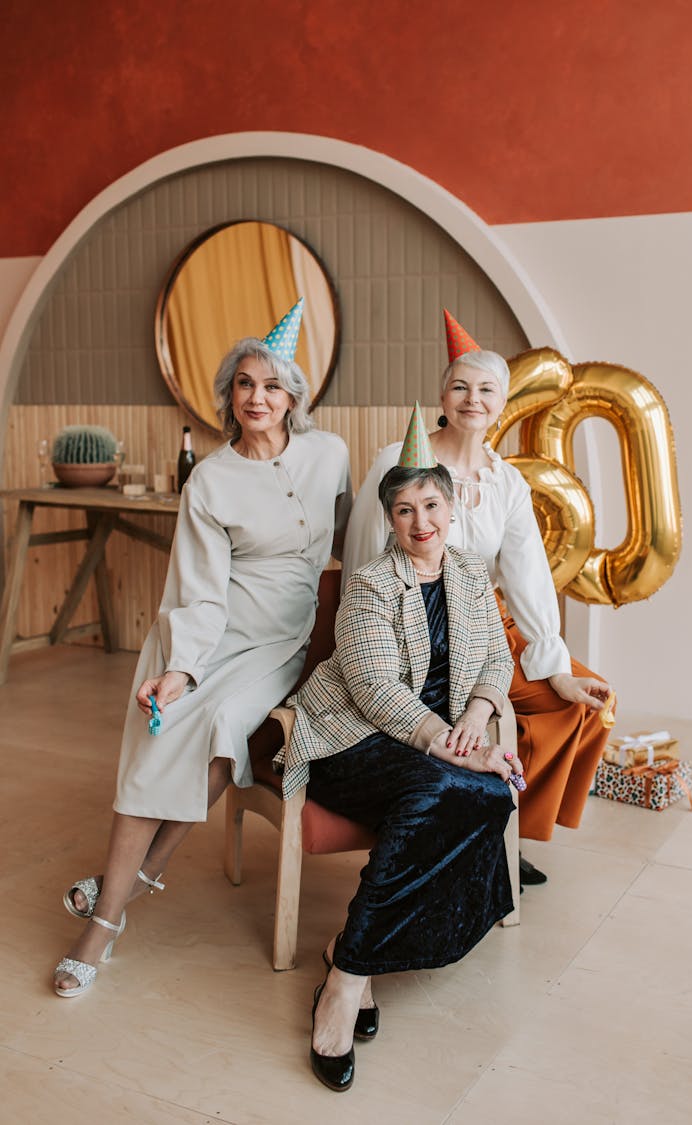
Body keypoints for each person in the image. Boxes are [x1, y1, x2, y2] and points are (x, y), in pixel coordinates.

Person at [53, 299, 352, 996]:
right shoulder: (211, 479)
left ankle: (115, 900)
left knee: (226, 727)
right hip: (212, 625)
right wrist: (182, 667)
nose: (258, 397)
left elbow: (351, 535)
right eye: (245, 384)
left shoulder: (330, 453)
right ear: (229, 396)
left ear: (294, 397)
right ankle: (106, 917)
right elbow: (199, 587)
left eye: (272, 385)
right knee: (156, 739)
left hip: (279, 637)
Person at [278, 407, 523, 1092]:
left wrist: (477, 717)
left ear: (452, 506)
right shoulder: (369, 585)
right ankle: (347, 984)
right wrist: (459, 749)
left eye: (432, 505)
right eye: (406, 509)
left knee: (484, 792)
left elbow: (496, 663)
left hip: (436, 745)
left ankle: (346, 953)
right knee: (448, 786)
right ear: (390, 518)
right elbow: (378, 691)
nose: (422, 522)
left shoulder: (473, 575)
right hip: (352, 741)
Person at [342, 310, 612, 880]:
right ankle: (478, 830)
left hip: (483, 625)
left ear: (503, 401)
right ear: (443, 394)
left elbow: (528, 574)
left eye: (487, 389)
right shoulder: (399, 459)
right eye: (461, 386)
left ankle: (504, 832)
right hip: (402, 626)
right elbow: (363, 558)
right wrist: (362, 647)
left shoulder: (506, 481)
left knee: (575, 706)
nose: (473, 399)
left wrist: (552, 660)